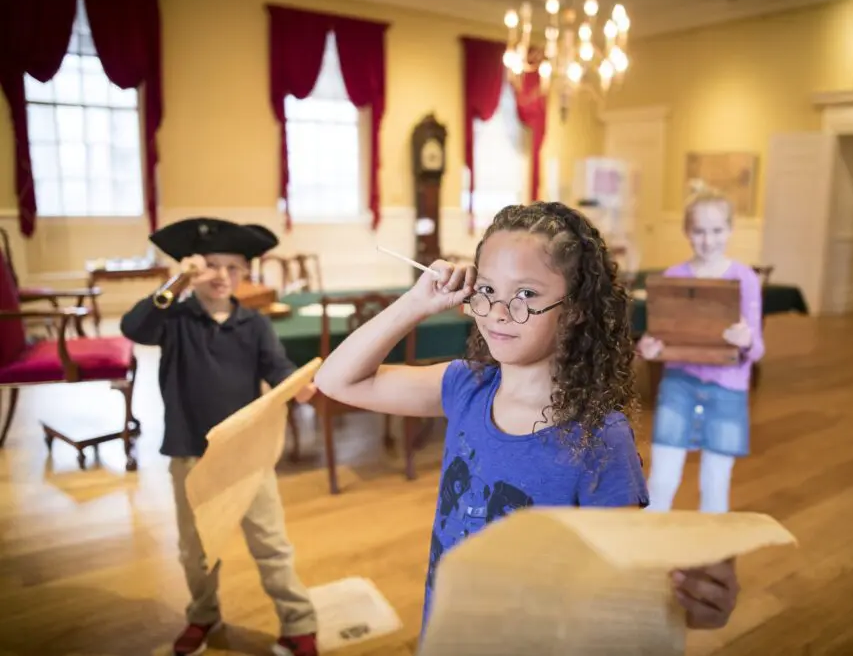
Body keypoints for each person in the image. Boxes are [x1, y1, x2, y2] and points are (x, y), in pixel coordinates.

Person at [314, 202, 740, 640]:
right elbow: (336, 380)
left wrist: (689, 605)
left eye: (526, 294)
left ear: (574, 308)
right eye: (487, 288)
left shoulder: (599, 437)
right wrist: (417, 302)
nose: (498, 311)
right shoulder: (466, 386)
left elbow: (625, 584)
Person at [120, 218, 319, 656]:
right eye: (211, 266)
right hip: (191, 453)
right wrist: (180, 279)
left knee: (271, 544)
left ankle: (299, 624)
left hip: (247, 456)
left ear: (245, 273)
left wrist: (297, 385)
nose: (222, 277)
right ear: (194, 270)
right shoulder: (174, 320)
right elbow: (134, 328)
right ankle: (203, 615)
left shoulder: (254, 325)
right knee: (197, 551)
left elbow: (277, 368)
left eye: (233, 268)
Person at [637, 182, 765, 514]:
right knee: (662, 480)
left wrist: (746, 339)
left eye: (717, 230)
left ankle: (710, 561)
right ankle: (647, 552)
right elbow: (661, 338)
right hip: (679, 387)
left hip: (728, 391)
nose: (708, 240)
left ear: (731, 229)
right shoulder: (674, 276)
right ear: (686, 231)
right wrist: (649, 348)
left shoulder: (745, 278)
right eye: (699, 231)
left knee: (715, 484)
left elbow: (758, 349)